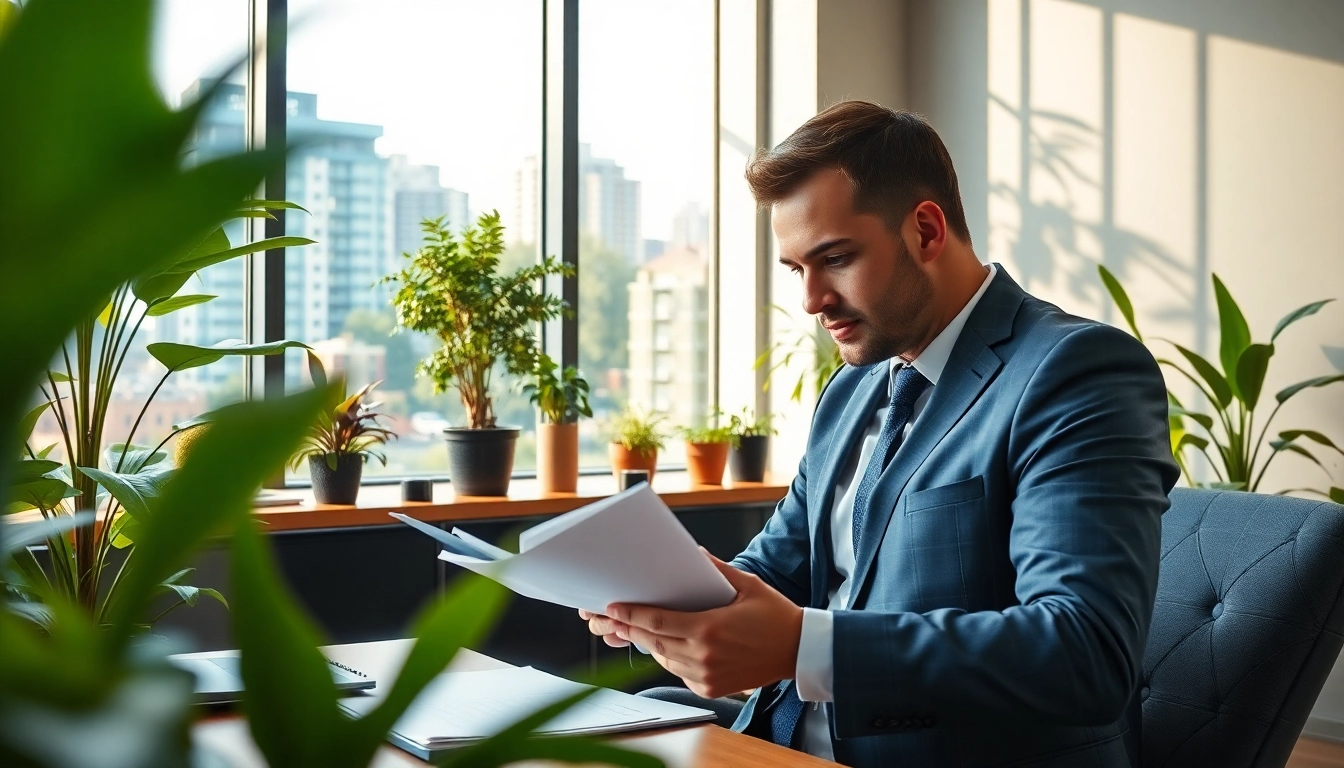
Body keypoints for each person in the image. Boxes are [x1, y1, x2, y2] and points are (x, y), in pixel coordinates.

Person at [581, 101, 1178, 767]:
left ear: (925, 230)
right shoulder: (853, 389)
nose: (811, 300)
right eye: (796, 270)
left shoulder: (1075, 373)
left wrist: (804, 648)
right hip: (778, 746)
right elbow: (776, 573)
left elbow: (1084, 652)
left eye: (834, 258)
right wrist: (668, 602)